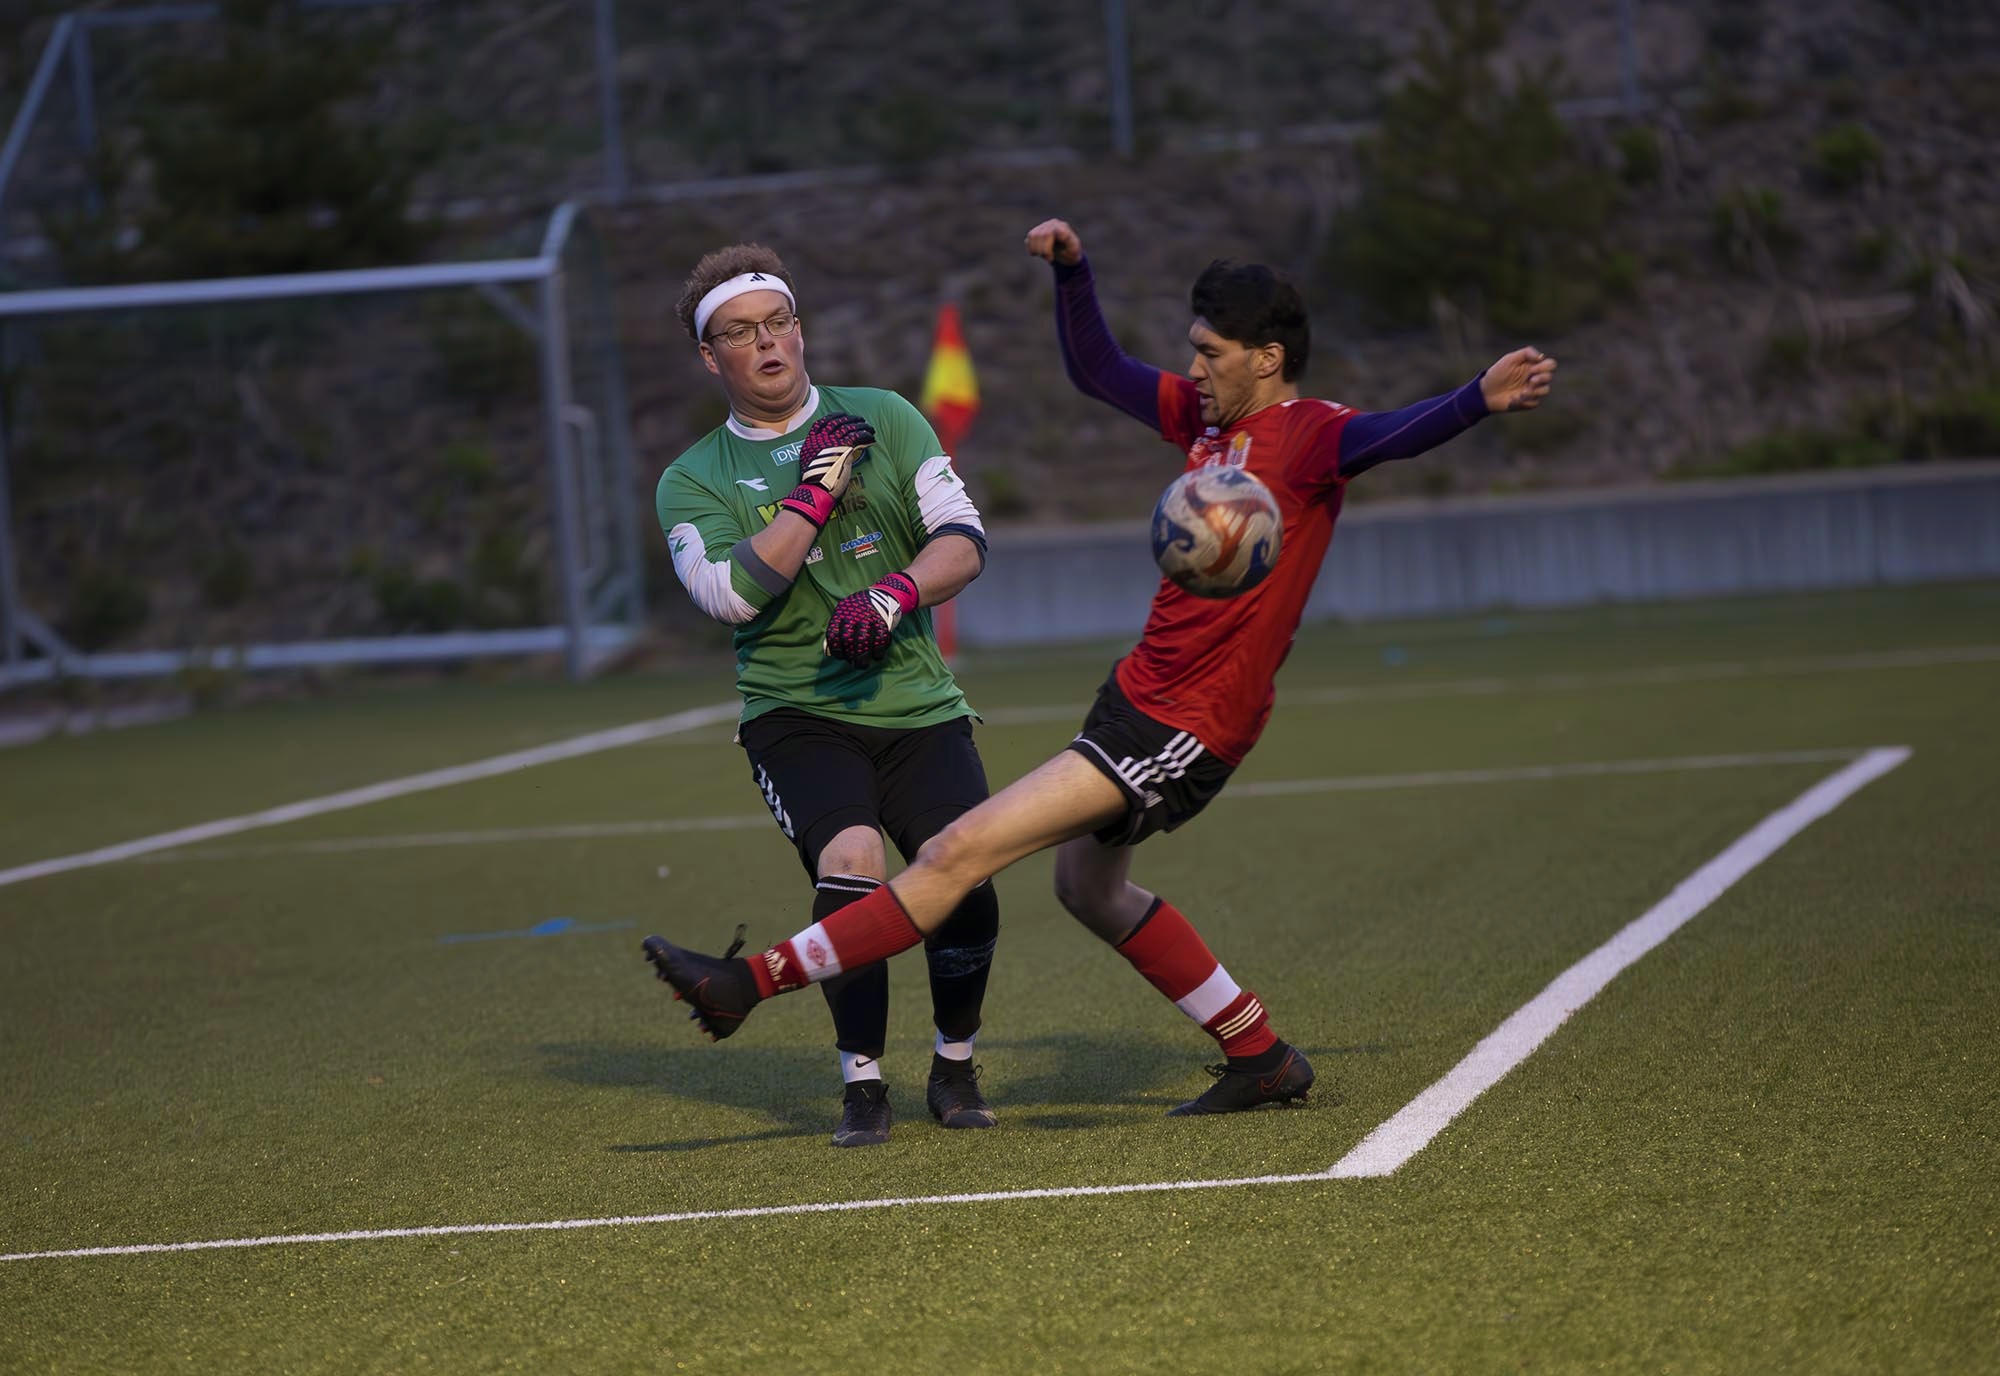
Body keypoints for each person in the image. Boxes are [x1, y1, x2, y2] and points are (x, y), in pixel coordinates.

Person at [642, 218, 1557, 1115]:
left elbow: (1393, 434)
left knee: (958, 851)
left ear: (1266, 357)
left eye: (1209, 351)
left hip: (1189, 720)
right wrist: (1073, 274)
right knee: (1087, 887)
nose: (1192, 370)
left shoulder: (1311, 434)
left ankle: (745, 985)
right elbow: (1098, 371)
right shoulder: (1207, 425)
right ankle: (1259, 1053)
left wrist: (1476, 396)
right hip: (1135, 697)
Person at [652, 243, 1004, 1147]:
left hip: (918, 703)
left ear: (800, 330)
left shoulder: (886, 415)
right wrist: (813, 495)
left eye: (778, 323)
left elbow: (961, 538)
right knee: (853, 857)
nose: (766, 344)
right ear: (710, 356)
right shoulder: (692, 479)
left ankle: (955, 1065)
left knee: (963, 869)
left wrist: (896, 591)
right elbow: (730, 595)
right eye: (739, 333)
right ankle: (863, 1084)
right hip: (796, 713)